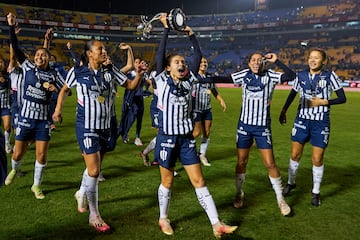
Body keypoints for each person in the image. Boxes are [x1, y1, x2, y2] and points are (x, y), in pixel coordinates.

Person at [153, 13, 237, 238]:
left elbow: (197, 56)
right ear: (169, 68)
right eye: (177, 62)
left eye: (182, 62)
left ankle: (216, 224)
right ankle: (163, 218)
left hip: (187, 140)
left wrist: (192, 36)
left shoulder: (190, 79)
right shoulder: (161, 80)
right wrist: (166, 29)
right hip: (167, 138)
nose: (181, 64)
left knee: (199, 180)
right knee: (167, 181)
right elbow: (160, 56)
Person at [53, 39, 147, 232]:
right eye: (100, 49)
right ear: (89, 54)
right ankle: (94, 215)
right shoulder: (77, 72)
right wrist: (57, 110)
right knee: (94, 171)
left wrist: (139, 74)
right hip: (86, 126)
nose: (104, 51)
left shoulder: (109, 70)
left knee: (94, 168)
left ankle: (81, 192)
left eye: (104, 48)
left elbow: (130, 86)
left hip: (107, 127)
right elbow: (64, 90)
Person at [4, 13, 65, 201]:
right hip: (25, 118)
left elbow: (67, 89)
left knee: (41, 154)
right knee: (17, 153)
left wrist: (57, 90)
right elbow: (16, 47)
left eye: (43, 55)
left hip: (43, 121)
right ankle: (15, 169)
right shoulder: (28, 66)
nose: (40, 57)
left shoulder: (54, 74)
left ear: (48, 59)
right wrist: (11, 28)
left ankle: (36, 185)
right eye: (38, 54)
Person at [279, 48, 346, 206]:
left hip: (320, 122)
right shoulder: (301, 75)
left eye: (316, 58)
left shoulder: (330, 76)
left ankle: (315, 192)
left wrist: (325, 102)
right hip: (301, 120)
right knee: (295, 155)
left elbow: (342, 98)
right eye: (310, 57)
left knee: (317, 158)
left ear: (323, 61)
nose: (312, 60)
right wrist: (284, 110)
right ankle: (291, 183)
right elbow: (293, 93)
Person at [230, 52, 295, 216]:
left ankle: (281, 200)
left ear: (264, 62)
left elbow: (291, 75)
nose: (256, 63)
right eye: (253, 60)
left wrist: (277, 61)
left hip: (262, 128)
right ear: (249, 62)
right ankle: (239, 194)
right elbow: (223, 79)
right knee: (241, 162)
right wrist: (198, 79)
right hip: (244, 126)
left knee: (270, 164)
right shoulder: (244, 75)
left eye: (260, 60)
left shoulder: (271, 75)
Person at [192, 57, 227, 166]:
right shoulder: (193, 76)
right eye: (201, 62)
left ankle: (202, 155)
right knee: (196, 132)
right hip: (195, 109)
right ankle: (182, 148)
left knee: (206, 132)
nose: (203, 64)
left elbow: (214, 91)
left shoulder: (209, 77)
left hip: (207, 109)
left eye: (205, 62)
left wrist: (221, 101)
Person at [117, 57, 146, 146]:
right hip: (130, 99)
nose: (137, 64)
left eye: (139, 62)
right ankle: (123, 133)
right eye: (135, 62)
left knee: (139, 118)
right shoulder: (129, 74)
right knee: (128, 117)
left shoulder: (142, 74)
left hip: (139, 98)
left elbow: (145, 84)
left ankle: (137, 137)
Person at [0, 55, 12, 154]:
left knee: (7, 126)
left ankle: (7, 144)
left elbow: (11, 86)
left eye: (1, 62)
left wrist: (5, 81)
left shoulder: (8, 75)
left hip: (6, 106)